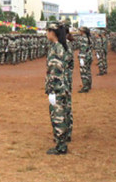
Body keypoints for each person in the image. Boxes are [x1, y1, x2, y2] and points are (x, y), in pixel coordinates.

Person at [44, 23, 69, 155]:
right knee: (57, 115)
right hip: (57, 87)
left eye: (47, 31)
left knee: (57, 116)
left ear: (52, 32)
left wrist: (52, 90)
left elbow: (55, 70)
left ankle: (61, 146)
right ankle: (60, 142)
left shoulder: (57, 48)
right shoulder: (56, 46)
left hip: (57, 88)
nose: (46, 34)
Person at [78, 27, 94, 93]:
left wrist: (81, 58)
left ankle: (85, 87)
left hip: (84, 56)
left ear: (83, 31)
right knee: (88, 70)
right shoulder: (89, 38)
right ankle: (89, 84)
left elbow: (83, 49)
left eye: (80, 30)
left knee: (83, 72)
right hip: (89, 56)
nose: (79, 32)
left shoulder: (83, 38)